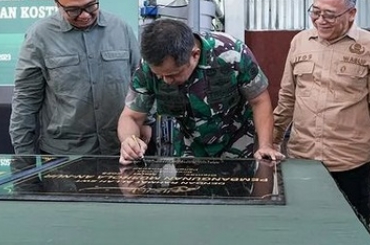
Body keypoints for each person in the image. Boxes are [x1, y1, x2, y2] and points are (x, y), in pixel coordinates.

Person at [273, 0, 370, 225]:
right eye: (315, 11)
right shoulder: (300, 42)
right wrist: (272, 141)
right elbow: (287, 98)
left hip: (350, 163)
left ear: (351, 13)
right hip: (303, 159)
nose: (320, 20)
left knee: (353, 227)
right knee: (304, 225)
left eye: (330, 14)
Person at [9, 0, 142, 155]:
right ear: (57, 4)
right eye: (73, 10)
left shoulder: (121, 29)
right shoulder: (39, 37)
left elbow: (141, 88)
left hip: (119, 152)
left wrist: (146, 130)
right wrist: (24, 161)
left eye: (91, 6)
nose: (85, 15)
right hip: (62, 156)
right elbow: (25, 101)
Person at [117, 18, 283, 164]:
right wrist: (129, 141)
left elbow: (259, 101)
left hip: (235, 141)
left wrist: (266, 146)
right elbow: (131, 116)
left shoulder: (232, 53)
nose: (166, 80)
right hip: (186, 147)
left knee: (238, 195)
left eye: (173, 74)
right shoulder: (147, 67)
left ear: (194, 55)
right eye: (159, 75)